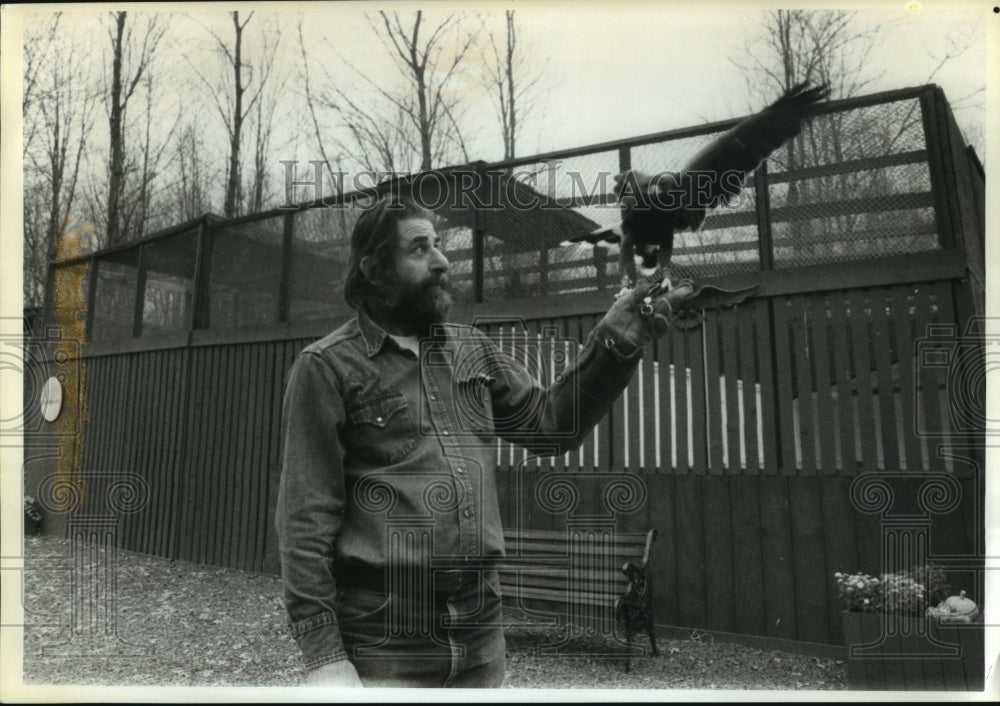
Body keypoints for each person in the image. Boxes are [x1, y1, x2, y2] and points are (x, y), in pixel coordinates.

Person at [274, 194, 692, 688]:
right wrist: (324, 657)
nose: (442, 260)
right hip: (384, 638)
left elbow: (551, 425)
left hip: (480, 634)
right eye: (419, 248)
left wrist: (618, 340)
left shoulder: (472, 350)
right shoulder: (327, 368)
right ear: (374, 268)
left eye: (439, 245)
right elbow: (305, 521)